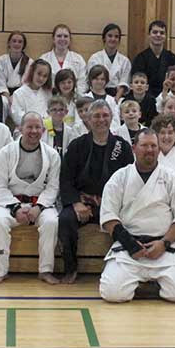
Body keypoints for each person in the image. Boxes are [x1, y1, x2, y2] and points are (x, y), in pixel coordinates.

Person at [98, 129, 175, 303]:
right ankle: (141, 281)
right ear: (134, 148)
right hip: (129, 247)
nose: (149, 150)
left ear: (158, 149)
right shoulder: (120, 177)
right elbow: (108, 215)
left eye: (153, 146)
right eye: (144, 145)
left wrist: (164, 243)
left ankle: (152, 282)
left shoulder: (172, 178)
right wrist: (130, 244)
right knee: (112, 293)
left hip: (163, 247)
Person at [58, 100, 134, 284]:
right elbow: (66, 178)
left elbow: (130, 179)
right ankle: (70, 268)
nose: (101, 120)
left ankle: (124, 268)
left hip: (112, 204)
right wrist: (76, 203)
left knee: (129, 222)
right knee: (65, 220)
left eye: (105, 115)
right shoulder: (77, 145)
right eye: (96, 116)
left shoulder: (121, 146)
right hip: (83, 203)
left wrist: (113, 204)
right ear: (88, 119)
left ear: (111, 118)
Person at [0, 112, 62, 285]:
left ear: (43, 130)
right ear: (20, 129)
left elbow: (53, 187)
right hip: (11, 203)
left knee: (51, 222)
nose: (34, 131)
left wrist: (39, 207)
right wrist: (15, 208)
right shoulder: (5, 153)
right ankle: (0, 271)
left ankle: (45, 270)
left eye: (38, 127)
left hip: (40, 205)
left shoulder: (52, 155)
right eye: (29, 127)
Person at [132, 20, 175, 99]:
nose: (158, 35)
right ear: (149, 35)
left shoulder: (173, 58)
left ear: (165, 37)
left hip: (169, 99)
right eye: (155, 32)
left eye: (162, 33)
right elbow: (137, 83)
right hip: (146, 99)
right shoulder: (140, 59)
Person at [38, 24, 88, 96]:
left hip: (73, 98)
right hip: (49, 98)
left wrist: (75, 97)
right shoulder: (44, 59)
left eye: (65, 36)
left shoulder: (78, 59)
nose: (62, 39)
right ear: (53, 39)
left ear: (70, 39)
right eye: (59, 36)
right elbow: (40, 82)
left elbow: (82, 83)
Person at [87, 23, 132, 98]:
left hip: (118, 95)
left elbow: (124, 83)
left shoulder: (125, 61)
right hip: (97, 93)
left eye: (116, 36)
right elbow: (93, 80)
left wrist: (116, 99)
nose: (113, 39)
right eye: (110, 36)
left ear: (119, 40)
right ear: (104, 38)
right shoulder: (95, 58)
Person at [11, 59, 53, 125]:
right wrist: (34, 125)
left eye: (45, 76)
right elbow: (17, 116)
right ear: (32, 72)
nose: (41, 78)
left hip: (46, 128)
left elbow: (51, 114)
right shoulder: (18, 93)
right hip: (26, 128)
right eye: (39, 74)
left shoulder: (48, 94)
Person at [0, 31, 30, 96]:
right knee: (3, 100)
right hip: (3, 94)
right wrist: (7, 96)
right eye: (14, 41)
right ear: (9, 43)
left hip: (22, 95)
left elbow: (27, 85)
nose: (17, 44)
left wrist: (16, 97)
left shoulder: (29, 63)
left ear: (24, 45)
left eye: (20, 42)